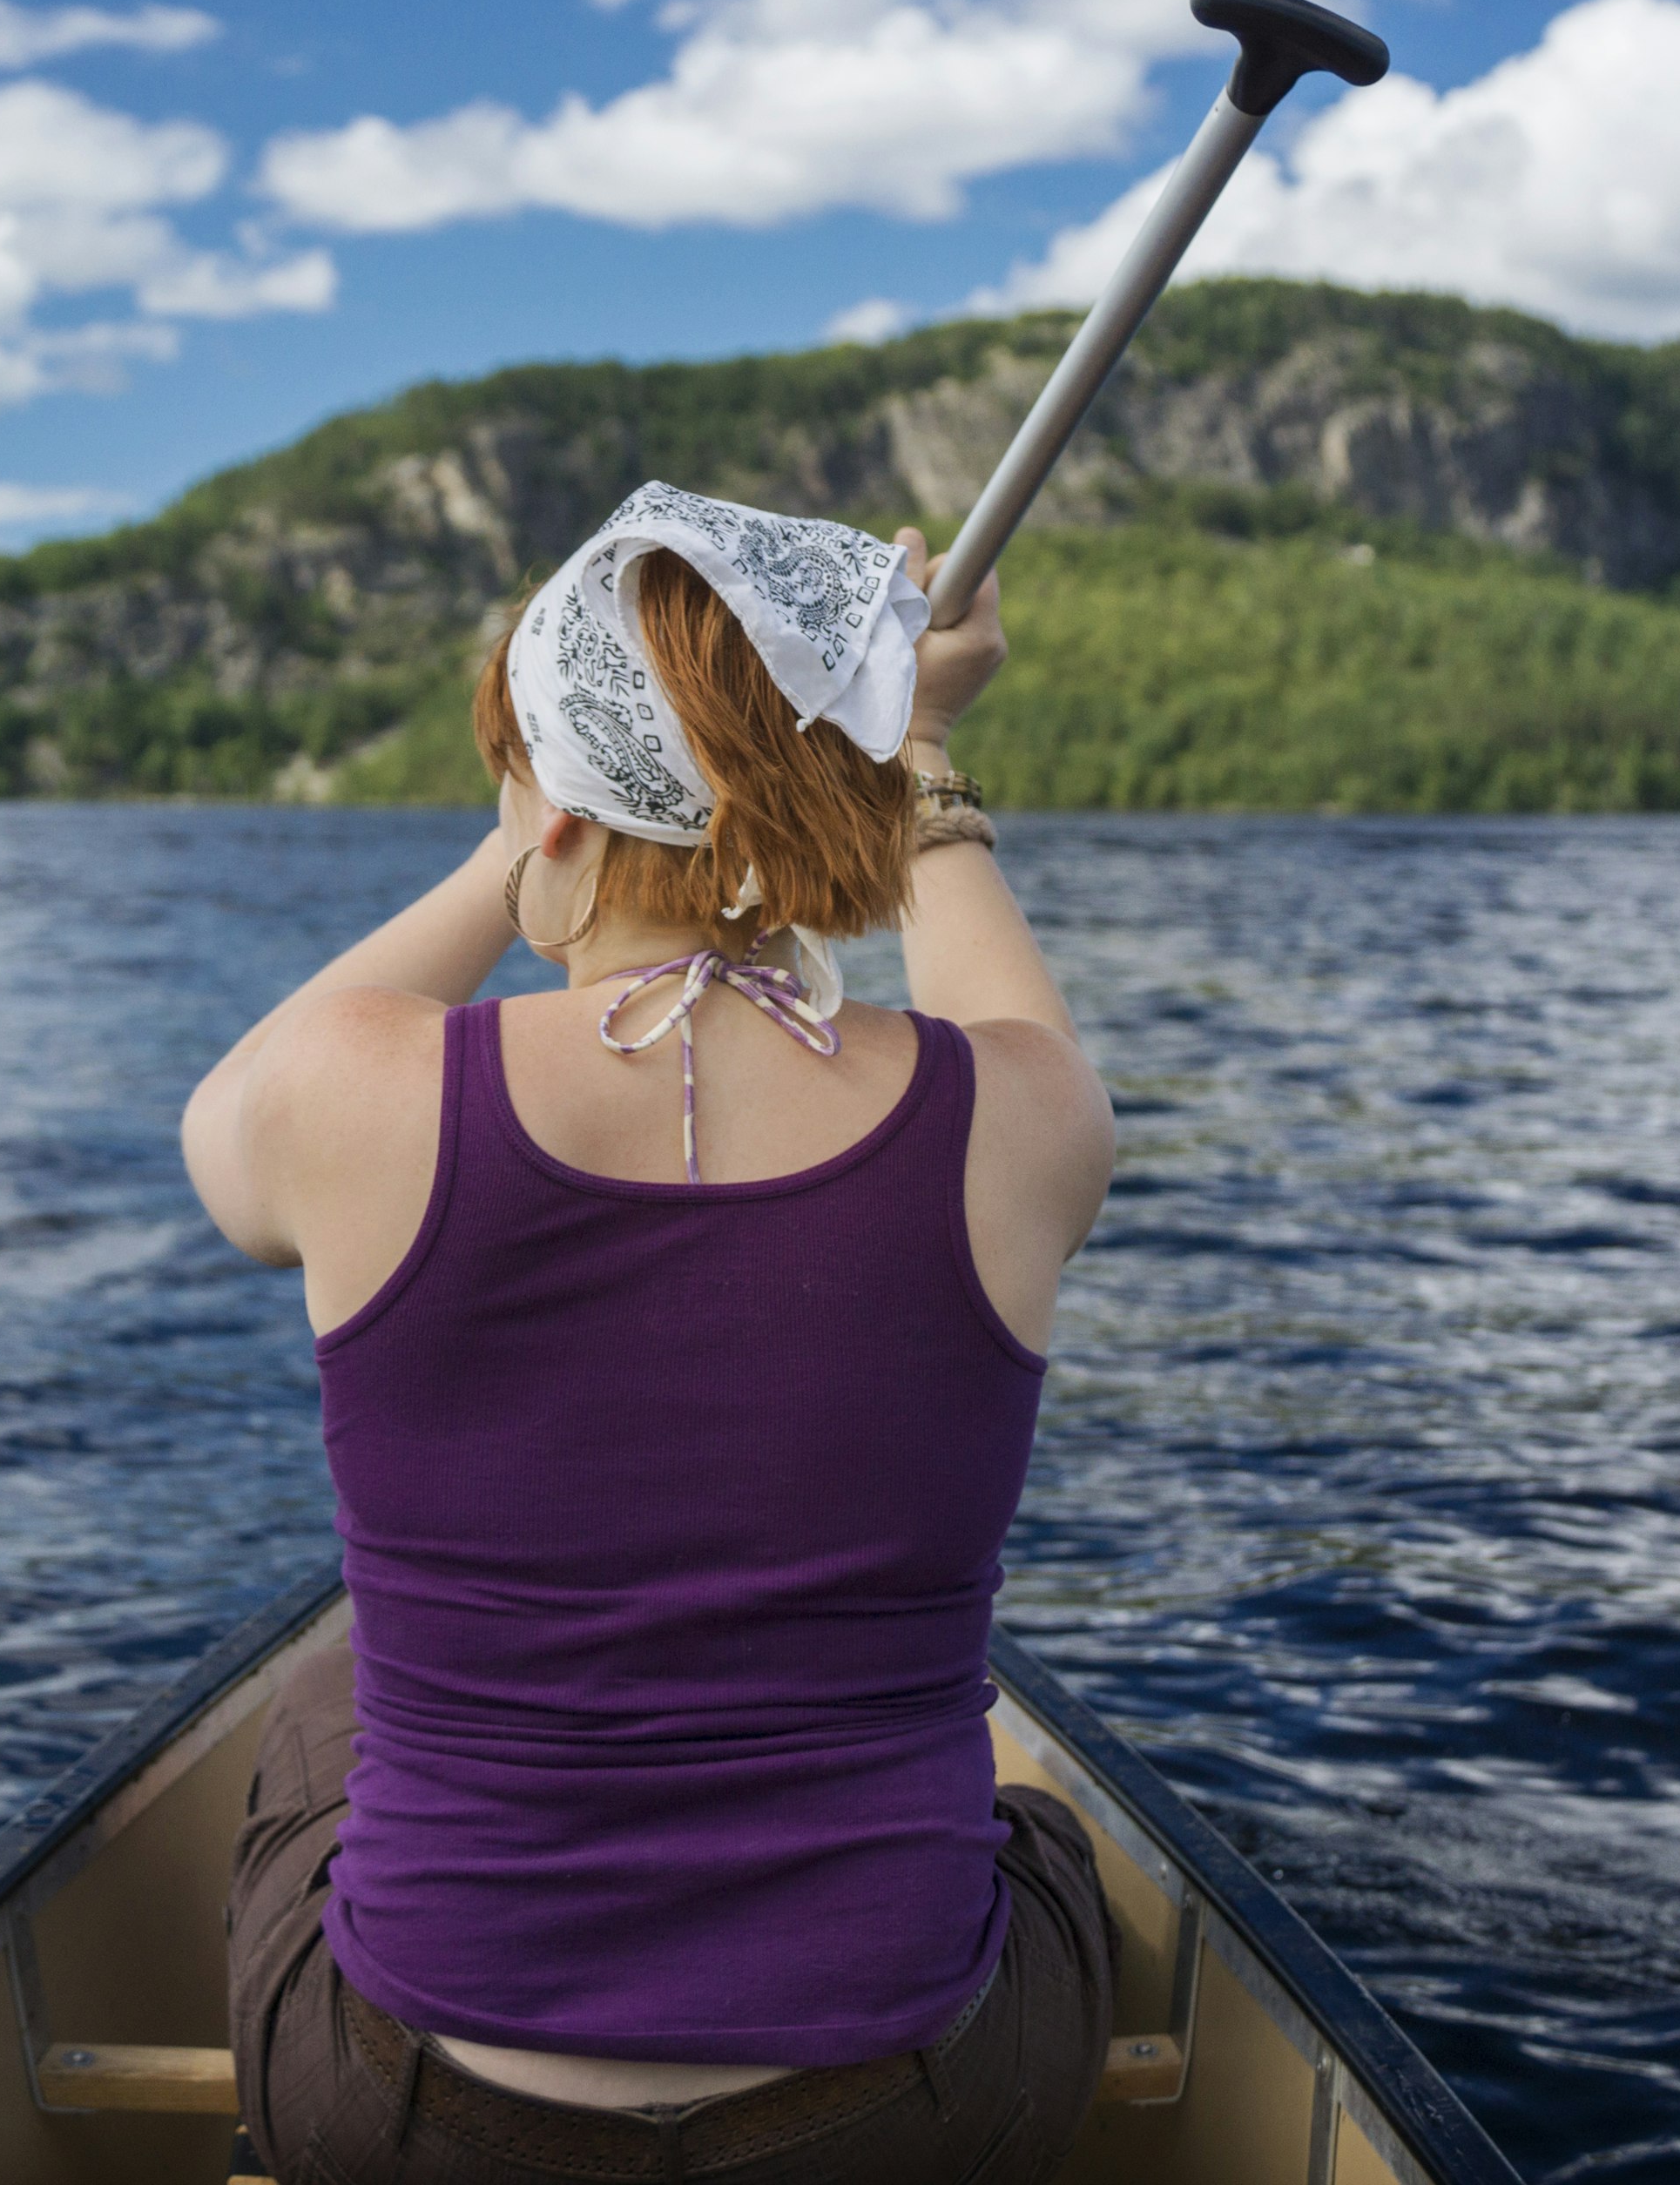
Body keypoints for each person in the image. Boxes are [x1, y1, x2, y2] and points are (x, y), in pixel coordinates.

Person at [181, 482, 1119, 2185]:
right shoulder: (1020, 1122)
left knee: (322, 1707)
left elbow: (222, 1132)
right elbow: (1001, 1012)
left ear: (545, 800)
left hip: (414, 2118)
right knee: (1044, 1831)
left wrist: (532, 829)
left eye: (518, 773)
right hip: (901, 2119)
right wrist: (915, 745)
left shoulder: (345, 1099)